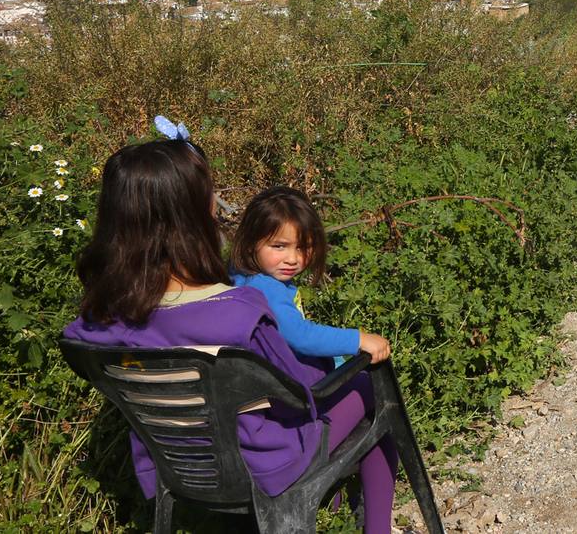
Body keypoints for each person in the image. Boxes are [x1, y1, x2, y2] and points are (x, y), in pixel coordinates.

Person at [63, 135, 399, 533]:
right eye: (210, 194)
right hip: (262, 461)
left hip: (176, 463)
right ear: (192, 215)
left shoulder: (98, 320)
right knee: (368, 386)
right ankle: (375, 522)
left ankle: (335, 492)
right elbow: (298, 393)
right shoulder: (238, 311)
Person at [231, 186, 391, 363]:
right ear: (250, 243)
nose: (292, 259)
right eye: (279, 246)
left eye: (303, 247)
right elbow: (300, 336)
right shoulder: (266, 288)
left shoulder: (239, 274)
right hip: (288, 379)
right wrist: (358, 340)